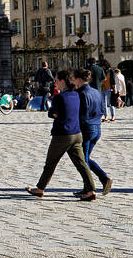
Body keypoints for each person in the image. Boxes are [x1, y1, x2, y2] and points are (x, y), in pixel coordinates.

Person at [26, 70, 96, 200]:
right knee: (81, 163)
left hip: (62, 135)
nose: (55, 82)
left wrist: (56, 113)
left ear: (63, 81)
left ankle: (40, 188)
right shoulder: (76, 95)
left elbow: (51, 113)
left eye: (57, 80)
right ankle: (91, 190)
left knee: (50, 163)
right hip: (76, 134)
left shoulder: (59, 97)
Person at [73, 67, 113, 195]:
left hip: (86, 129)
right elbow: (102, 110)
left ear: (79, 80)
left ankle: (101, 180)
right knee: (85, 158)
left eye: (74, 79)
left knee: (82, 161)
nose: (73, 82)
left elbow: (81, 114)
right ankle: (89, 186)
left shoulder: (80, 93)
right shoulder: (96, 92)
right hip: (97, 128)